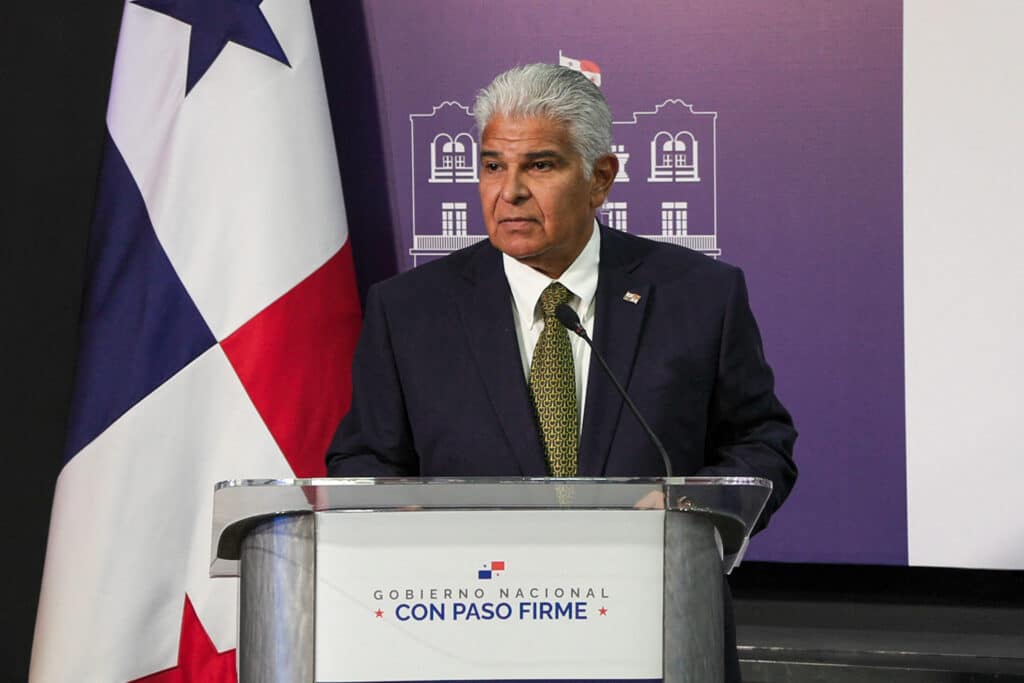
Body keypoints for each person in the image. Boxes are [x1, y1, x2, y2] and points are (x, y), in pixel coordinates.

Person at [327, 63, 797, 681]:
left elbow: (761, 445)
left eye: (539, 166)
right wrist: (415, 525)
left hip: (654, 629)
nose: (509, 191)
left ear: (600, 178)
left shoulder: (698, 295)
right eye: (493, 165)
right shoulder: (411, 309)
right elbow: (363, 462)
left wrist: (690, 509)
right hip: (469, 629)